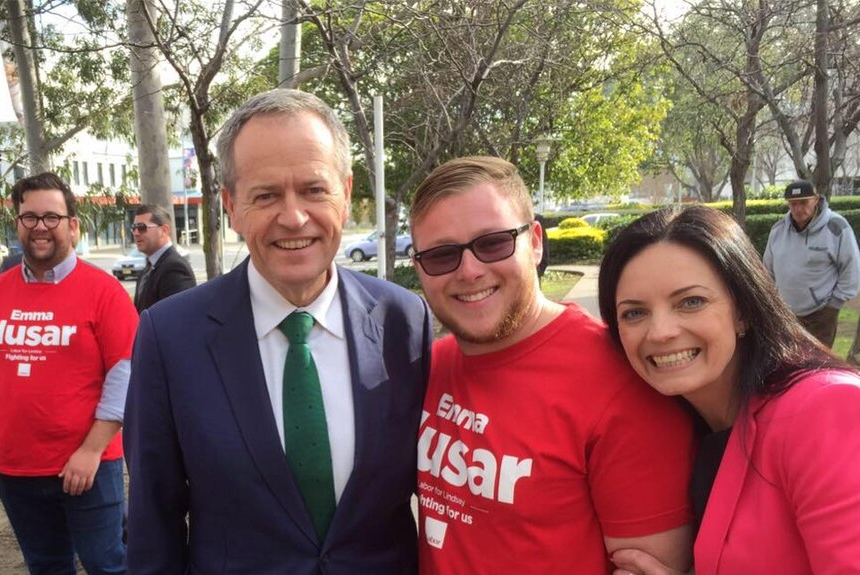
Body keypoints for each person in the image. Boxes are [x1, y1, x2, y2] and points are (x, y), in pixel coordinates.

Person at [123, 88, 433, 574]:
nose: (293, 217)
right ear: (231, 205)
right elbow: (152, 519)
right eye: (266, 195)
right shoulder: (169, 336)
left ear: (346, 194)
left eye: (314, 189)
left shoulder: (404, 320)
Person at [410, 156, 696, 574]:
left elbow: (652, 563)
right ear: (420, 268)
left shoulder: (620, 382)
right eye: (441, 255)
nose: (469, 270)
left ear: (536, 242)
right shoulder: (430, 366)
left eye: (493, 243)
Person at [598, 205, 860, 575]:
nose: (660, 332)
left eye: (691, 302)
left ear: (743, 311)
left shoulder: (825, 410)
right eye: (634, 313)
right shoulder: (676, 421)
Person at [0, 172, 137, 574]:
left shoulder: (104, 291)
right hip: (15, 468)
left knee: (106, 564)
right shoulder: (1, 290)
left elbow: (125, 373)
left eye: (52, 217)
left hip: (89, 465)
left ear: (72, 226)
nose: (40, 227)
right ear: (18, 224)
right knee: (45, 566)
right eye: (30, 217)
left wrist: (91, 451)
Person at [763, 179, 860, 347]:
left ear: (815, 200)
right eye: (793, 204)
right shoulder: (778, 230)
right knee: (788, 364)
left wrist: (834, 305)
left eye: (804, 202)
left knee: (817, 366)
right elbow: (767, 270)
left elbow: (851, 268)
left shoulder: (837, 227)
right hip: (785, 314)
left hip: (821, 314)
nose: (798, 209)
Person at [131, 204, 197, 312]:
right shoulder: (148, 268)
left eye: (142, 227)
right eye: (134, 228)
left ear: (164, 230)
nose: (136, 233)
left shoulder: (175, 268)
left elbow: (177, 318)